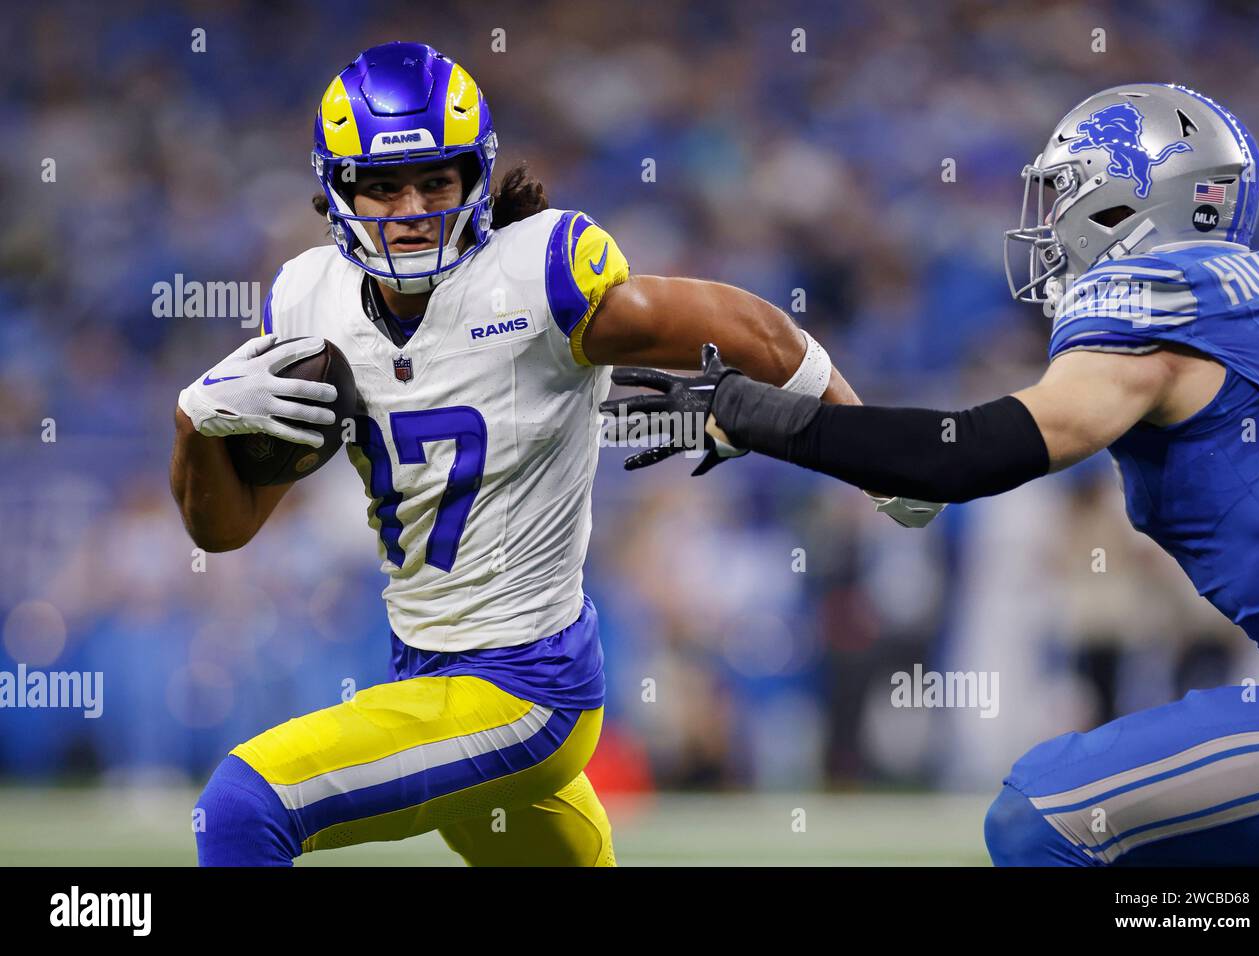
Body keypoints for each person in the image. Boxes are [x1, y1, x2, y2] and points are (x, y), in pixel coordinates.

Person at [169, 40, 878, 866]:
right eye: (384, 184)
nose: (411, 207)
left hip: (528, 689)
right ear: (337, 189)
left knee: (242, 806)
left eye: (438, 179)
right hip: (430, 682)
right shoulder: (305, 301)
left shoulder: (538, 274)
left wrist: (866, 440)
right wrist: (195, 425)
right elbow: (224, 532)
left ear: (476, 177)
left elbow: (744, 325)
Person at [605, 83, 1259, 865]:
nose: (1048, 221)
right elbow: (921, 486)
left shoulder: (1162, 296)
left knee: (1045, 816)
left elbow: (961, 455)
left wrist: (752, 413)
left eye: (1067, 192)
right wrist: (813, 436)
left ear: (1133, 198)